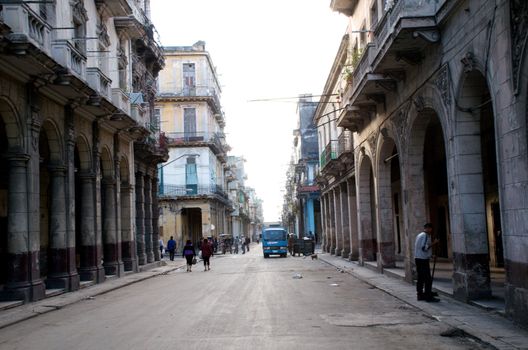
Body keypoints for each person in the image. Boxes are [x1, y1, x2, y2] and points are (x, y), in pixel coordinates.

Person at [414, 223, 440, 302]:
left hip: (419, 258)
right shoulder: (425, 236)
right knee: (427, 279)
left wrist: (431, 256)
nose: (431, 231)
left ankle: (420, 294)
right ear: (428, 228)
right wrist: (434, 243)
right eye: (431, 229)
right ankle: (428, 296)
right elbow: (424, 248)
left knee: (421, 278)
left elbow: (422, 249)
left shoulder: (420, 235)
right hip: (422, 260)